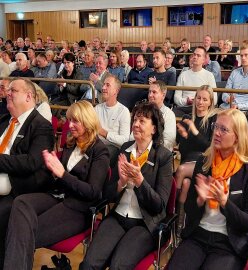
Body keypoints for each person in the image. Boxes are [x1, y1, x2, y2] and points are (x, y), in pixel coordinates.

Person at [3, 100, 110, 270]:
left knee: (20, 233)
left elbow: (93, 192)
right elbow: (57, 175)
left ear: (88, 121)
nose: (70, 125)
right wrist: (51, 168)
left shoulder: (100, 151)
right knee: (21, 202)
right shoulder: (71, 144)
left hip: (78, 208)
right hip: (58, 197)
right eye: (70, 121)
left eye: (75, 121)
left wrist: (62, 174)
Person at [80, 102, 173, 269]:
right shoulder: (124, 149)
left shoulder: (163, 157)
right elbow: (107, 195)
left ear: (154, 129)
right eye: (135, 120)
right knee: (89, 264)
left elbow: (159, 206)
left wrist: (140, 182)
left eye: (142, 121)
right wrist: (120, 183)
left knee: (118, 266)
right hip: (118, 216)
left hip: (145, 223)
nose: (136, 124)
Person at [168, 109, 248, 270]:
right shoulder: (204, 162)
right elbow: (189, 209)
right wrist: (199, 200)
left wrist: (224, 202)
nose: (217, 133)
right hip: (198, 236)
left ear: (237, 137)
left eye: (224, 130)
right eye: (216, 127)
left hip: (229, 243)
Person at [0, 78, 54, 269]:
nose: (7, 93)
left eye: (13, 90)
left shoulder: (41, 126)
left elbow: (32, 162)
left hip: (18, 190)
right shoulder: (5, 120)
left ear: (29, 96)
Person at [175, 85, 217, 238]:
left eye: (204, 99)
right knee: (185, 184)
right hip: (188, 160)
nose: (200, 102)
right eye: (198, 98)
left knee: (180, 171)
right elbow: (183, 150)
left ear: (210, 102)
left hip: (205, 162)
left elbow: (209, 146)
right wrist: (184, 136)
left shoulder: (213, 119)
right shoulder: (187, 117)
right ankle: (179, 225)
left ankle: (170, 210)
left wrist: (193, 130)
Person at [95, 75, 131, 168]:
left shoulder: (123, 111)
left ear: (116, 91)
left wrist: (104, 133)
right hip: (96, 145)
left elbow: (124, 140)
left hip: (113, 148)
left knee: (104, 154)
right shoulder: (97, 108)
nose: (103, 88)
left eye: (108, 85)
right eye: (103, 85)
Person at [173, 47, 217, 117]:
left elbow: (214, 99)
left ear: (203, 60)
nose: (195, 57)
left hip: (202, 108)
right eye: (194, 54)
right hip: (185, 107)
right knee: (174, 114)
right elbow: (176, 98)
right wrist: (186, 101)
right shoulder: (183, 74)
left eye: (198, 55)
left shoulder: (209, 75)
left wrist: (200, 102)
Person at [220, 45, 248, 111]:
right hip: (226, 107)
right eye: (241, 55)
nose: (243, 58)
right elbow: (225, 93)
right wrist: (227, 99)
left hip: (242, 111)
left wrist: (238, 106)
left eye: (246, 55)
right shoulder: (234, 72)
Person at [147, 81, 176, 151]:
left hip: (158, 153)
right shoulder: (143, 111)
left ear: (163, 95)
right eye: (149, 92)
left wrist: (148, 149)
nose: (150, 95)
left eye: (154, 92)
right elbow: (133, 136)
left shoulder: (169, 114)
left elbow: (168, 142)